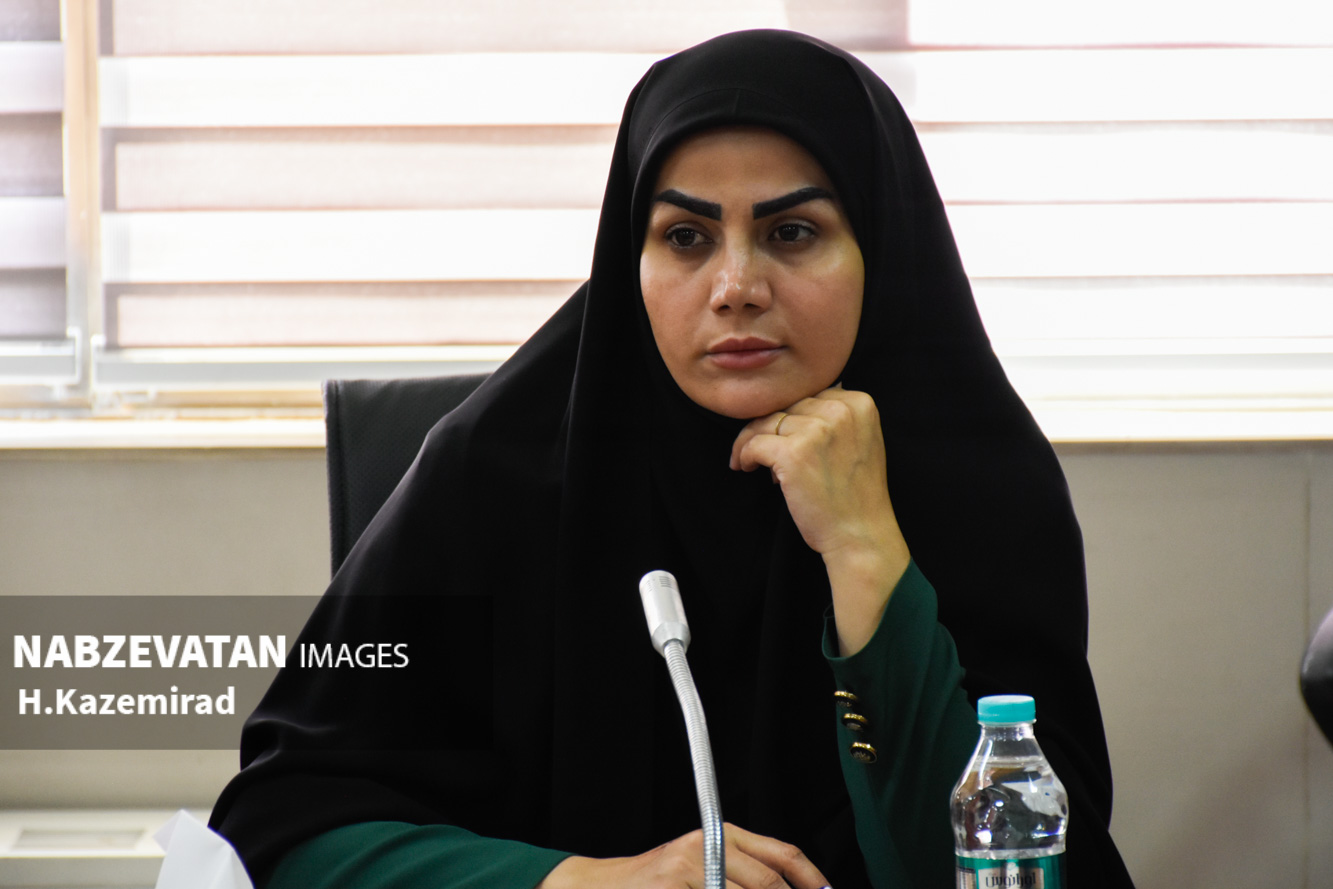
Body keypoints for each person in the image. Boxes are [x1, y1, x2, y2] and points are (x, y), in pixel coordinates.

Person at [210, 29, 1135, 888]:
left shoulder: (980, 489)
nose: (735, 287)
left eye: (792, 232)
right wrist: (584, 880)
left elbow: (1029, 867)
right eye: (685, 237)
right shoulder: (494, 474)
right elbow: (279, 828)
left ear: (880, 250)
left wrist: (865, 551)